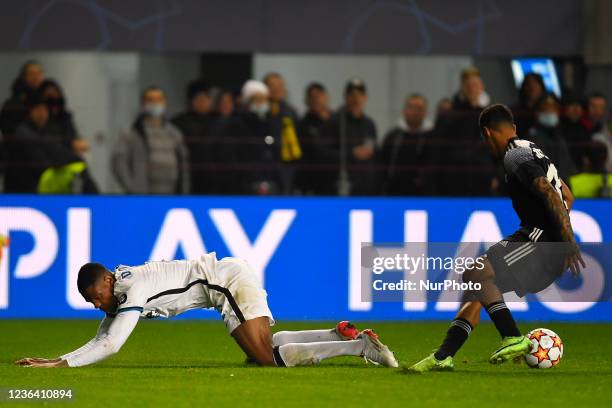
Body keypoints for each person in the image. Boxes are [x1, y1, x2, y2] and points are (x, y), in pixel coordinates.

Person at [405, 104, 584, 373]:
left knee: (474, 273)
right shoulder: (533, 150)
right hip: (545, 239)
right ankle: (443, 356)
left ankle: (511, 336)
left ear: (487, 133)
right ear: (513, 128)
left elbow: (549, 193)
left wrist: (564, 242)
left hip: (540, 240)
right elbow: (567, 197)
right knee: (478, 289)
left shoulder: (514, 157)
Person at [15, 253, 398, 368]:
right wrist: (55, 360)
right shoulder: (120, 288)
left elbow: (112, 345)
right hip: (228, 279)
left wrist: (60, 368)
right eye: (91, 303)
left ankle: (360, 347)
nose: (96, 305)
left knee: (267, 360)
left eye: (94, 297)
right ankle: (337, 335)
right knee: (262, 354)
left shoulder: (132, 288)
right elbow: (102, 335)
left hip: (227, 283)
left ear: (105, 283)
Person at [4, 97, 97, 193]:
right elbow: (44, 160)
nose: (42, 114)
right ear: (30, 112)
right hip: (29, 187)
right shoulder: (24, 134)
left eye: (45, 110)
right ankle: (96, 202)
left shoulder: (45, 131)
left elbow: (56, 151)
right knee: (76, 168)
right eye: (38, 110)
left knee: (77, 168)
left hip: (40, 180)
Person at [112, 86, 189, 195]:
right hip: (144, 195)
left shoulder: (175, 133)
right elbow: (118, 163)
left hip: (171, 195)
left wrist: (183, 191)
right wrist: (133, 189)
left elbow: (183, 165)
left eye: (159, 99)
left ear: (164, 103)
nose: (155, 103)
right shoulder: (130, 134)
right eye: (150, 100)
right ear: (143, 104)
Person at [323, 78, 378, 195]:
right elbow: (325, 154)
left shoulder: (369, 124)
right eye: (352, 95)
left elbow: (374, 153)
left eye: (359, 95)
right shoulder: (335, 122)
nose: (356, 99)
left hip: (366, 186)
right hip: (341, 185)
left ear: (365, 97)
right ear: (345, 97)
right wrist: (351, 153)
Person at [381, 93, 437, 195]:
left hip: (425, 197)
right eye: (411, 107)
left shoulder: (434, 138)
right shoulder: (393, 137)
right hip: (395, 195)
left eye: (419, 108)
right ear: (404, 110)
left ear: (425, 111)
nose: (415, 112)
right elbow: (383, 167)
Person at [171, 80, 215, 194]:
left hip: (214, 179)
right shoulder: (178, 122)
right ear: (191, 101)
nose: (203, 102)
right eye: (198, 99)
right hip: (187, 177)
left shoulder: (217, 121)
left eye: (206, 99)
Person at [263, 73, 302, 194]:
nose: (276, 90)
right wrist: (270, 141)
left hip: (287, 167)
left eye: (279, 86)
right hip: (265, 165)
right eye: (272, 86)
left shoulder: (291, 112)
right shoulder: (260, 111)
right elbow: (263, 137)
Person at [525, 95, 576, 180]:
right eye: (546, 109)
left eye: (553, 109)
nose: (550, 112)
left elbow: (567, 169)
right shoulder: (532, 138)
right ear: (537, 113)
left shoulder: (560, 138)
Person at [296, 82, 333, 195]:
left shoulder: (337, 121)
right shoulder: (301, 124)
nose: (316, 100)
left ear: (326, 97)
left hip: (333, 179)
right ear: (307, 100)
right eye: (312, 97)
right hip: (310, 181)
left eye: (319, 96)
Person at [39, 79, 89, 155]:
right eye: (49, 95)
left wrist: (79, 141)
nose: (54, 97)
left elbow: (72, 134)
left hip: (67, 154)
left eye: (56, 93)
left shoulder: (65, 116)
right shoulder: (41, 118)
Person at [0, 61, 45, 137]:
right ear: (24, 77)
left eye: (39, 73)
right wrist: (30, 119)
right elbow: (9, 131)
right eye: (31, 73)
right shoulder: (13, 103)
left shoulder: (51, 100)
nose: (36, 77)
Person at [559, 95, 590, 171]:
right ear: (565, 109)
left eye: (579, 106)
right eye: (572, 105)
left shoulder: (584, 129)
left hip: (579, 171)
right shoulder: (557, 128)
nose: (576, 109)